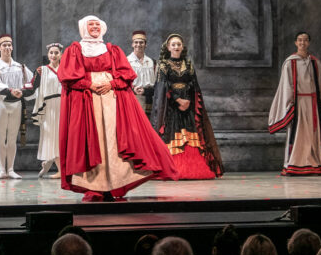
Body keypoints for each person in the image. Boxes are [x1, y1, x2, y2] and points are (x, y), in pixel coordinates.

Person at [58, 15, 178, 202]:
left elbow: (125, 74)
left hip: (111, 100)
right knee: (93, 140)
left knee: (112, 140)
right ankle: (95, 186)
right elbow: (68, 76)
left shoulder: (111, 50)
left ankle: (114, 183)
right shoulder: (75, 50)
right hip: (87, 101)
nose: (95, 27)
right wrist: (88, 84)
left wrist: (112, 83)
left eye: (98, 24)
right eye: (91, 24)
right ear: (83, 27)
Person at [150, 33, 223, 179]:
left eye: (178, 44)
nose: (176, 47)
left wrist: (187, 100)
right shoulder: (163, 64)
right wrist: (177, 100)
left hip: (187, 106)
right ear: (168, 47)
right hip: (171, 107)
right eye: (173, 44)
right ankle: (174, 169)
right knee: (172, 135)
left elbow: (193, 83)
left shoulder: (188, 63)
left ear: (182, 47)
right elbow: (163, 86)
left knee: (191, 136)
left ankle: (193, 169)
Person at [267, 31, 321, 176]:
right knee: (299, 134)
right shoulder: (290, 62)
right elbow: (286, 86)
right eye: (299, 40)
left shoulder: (315, 62)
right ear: (295, 43)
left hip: (314, 104)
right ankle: (296, 163)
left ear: (309, 43)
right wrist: (289, 105)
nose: (302, 43)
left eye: (305, 40)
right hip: (298, 104)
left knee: (315, 134)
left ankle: (317, 163)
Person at [0, 34, 33, 180]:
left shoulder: (20, 67)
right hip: (2, 105)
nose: (7, 47)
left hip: (16, 105)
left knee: (12, 138)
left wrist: (22, 91)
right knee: (1, 137)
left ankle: (11, 169)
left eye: (9, 45)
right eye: (4, 45)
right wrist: (11, 90)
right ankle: (2, 169)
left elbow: (30, 82)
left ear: (12, 47)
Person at [31, 42, 63, 179]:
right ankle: (55, 165)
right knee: (51, 135)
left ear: (61, 54)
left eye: (56, 53)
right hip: (49, 105)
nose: (54, 55)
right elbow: (32, 86)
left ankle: (53, 164)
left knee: (61, 136)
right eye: (51, 53)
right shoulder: (42, 70)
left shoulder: (66, 69)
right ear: (48, 55)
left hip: (63, 104)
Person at [127, 30, 156, 117]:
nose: (138, 45)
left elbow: (156, 85)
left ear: (145, 44)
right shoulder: (126, 61)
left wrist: (145, 91)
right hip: (131, 98)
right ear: (132, 44)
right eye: (136, 42)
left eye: (141, 42)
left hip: (148, 99)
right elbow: (121, 83)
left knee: (147, 124)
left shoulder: (152, 62)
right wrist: (133, 89)